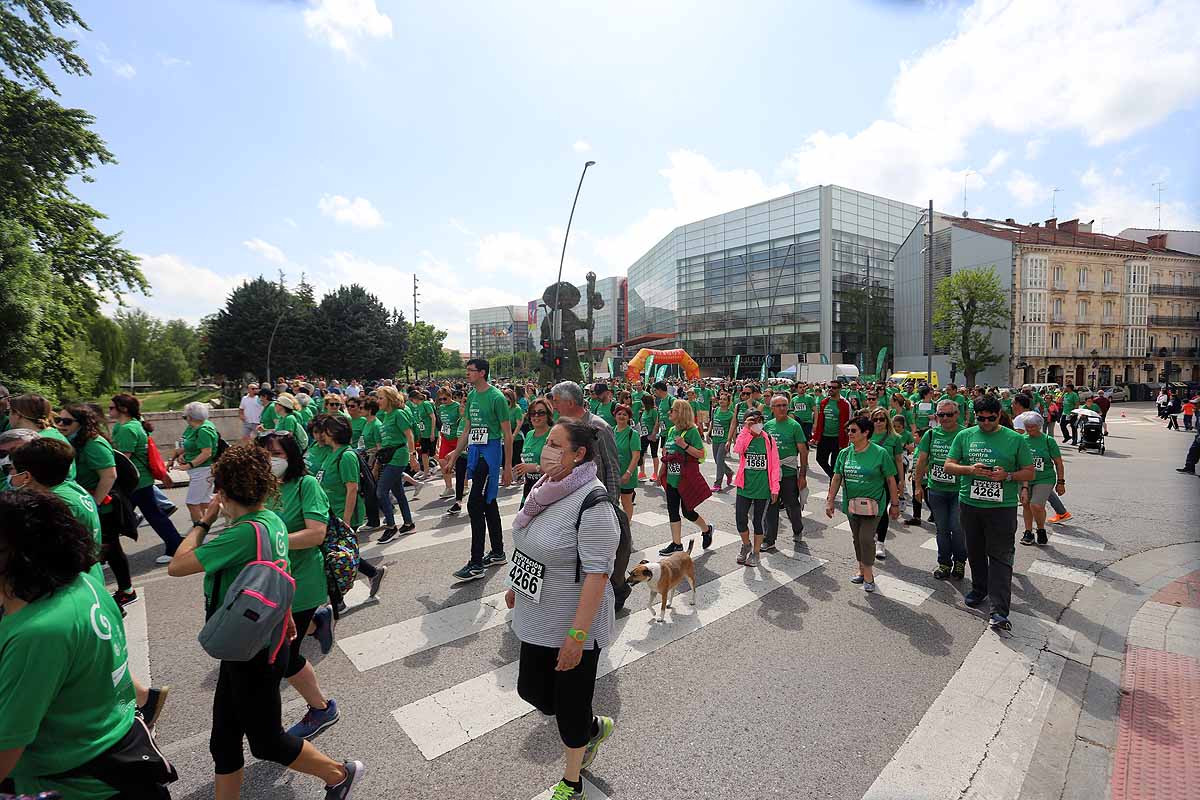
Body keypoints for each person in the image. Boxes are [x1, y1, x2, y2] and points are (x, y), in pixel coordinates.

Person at [166, 443, 365, 799]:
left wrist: (202, 521)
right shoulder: (270, 521)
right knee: (223, 737)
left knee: (267, 741)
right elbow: (278, 572)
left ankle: (339, 773)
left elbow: (178, 565)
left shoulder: (242, 533)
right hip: (252, 640)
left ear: (223, 491)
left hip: (254, 648)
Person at [0, 490, 175, 800]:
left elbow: (7, 749)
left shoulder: (36, 632)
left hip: (75, 784)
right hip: (120, 755)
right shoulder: (83, 584)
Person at [506, 419, 619, 800]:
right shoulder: (546, 488)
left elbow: (597, 576)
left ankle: (572, 782)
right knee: (532, 690)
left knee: (570, 705)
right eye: (548, 443)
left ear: (578, 454)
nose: (546, 449)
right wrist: (515, 582)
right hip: (537, 614)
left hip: (574, 624)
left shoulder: (594, 503)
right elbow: (531, 542)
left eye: (555, 444)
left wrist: (576, 636)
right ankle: (590, 728)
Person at [256, 428, 343, 740]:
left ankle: (320, 708)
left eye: (277, 454)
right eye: (265, 454)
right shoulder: (259, 486)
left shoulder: (306, 485)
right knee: (279, 654)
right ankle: (314, 623)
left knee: (282, 658)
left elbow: (316, 533)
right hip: (265, 583)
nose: (270, 460)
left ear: (291, 457)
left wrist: (267, 542)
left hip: (300, 585)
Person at [943, 396, 1035, 628]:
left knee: (1000, 556)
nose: (985, 422)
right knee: (974, 552)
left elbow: (1030, 471)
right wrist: (969, 469)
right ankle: (979, 589)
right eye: (980, 418)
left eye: (990, 418)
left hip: (1001, 508)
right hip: (970, 505)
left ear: (999, 415)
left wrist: (1009, 476)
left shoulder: (1015, 439)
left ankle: (999, 610)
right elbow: (949, 465)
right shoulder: (965, 436)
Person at [550, 381, 632, 608]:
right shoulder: (561, 427)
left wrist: (612, 504)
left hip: (597, 501)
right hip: (570, 500)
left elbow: (612, 466)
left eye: (556, 401)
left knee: (606, 553)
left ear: (569, 402)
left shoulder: (599, 427)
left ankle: (618, 589)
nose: (553, 406)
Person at [54, 403, 134, 604]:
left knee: (111, 549)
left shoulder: (93, 443)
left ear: (81, 424)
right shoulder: (73, 441)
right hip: (92, 502)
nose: (60, 424)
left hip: (103, 505)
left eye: (66, 421)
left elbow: (109, 475)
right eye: (58, 420)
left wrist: (93, 503)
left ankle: (127, 591)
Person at [446, 359, 513, 582]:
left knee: (475, 503)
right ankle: (497, 551)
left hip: (491, 455)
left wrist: (507, 467)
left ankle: (476, 563)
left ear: (482, 373)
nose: (467, 374)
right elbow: (467, 428)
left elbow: (507, 435)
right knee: (487, 502)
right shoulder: (473, 395)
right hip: (475, 452)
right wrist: (455, 455)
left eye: (471, 371)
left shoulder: (497, 397)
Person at [825, 415, 900, 593]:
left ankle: (868, 573)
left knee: (866, 538)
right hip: (852, 505)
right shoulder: (844, 453)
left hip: (874, 505)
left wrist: (895, 504)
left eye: (853, 430)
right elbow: (836, 478)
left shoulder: (880, 453)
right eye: (848, 430)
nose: (849, 433)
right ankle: (860, 567)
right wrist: (830, 501)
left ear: (866, 432)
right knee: (856, 538)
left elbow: (890, 479)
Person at [109, 394, 184, 565]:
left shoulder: (126, 429)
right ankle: (175, 543)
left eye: (112, 407)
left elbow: (122, 460)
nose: (109, 410)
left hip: (133, 482)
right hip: (140, 480)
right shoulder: (133, 425)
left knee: (119, 518)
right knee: (149, 515)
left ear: (124, 409)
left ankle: (175, 545)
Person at [912, 399, 966, 580]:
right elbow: (921, 461)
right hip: (936, 489)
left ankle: (960, 561)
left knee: (957, 528)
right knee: (942, 528)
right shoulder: (931, 434)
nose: (945, 418)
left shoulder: (965, 434)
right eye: (941, 415)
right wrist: (918, 486)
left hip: (959, 490)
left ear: (957, 415)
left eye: (949, 414)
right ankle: (944, 563)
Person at [656, 398, 714, 557]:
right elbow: (667, 456)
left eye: (673, 410)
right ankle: (676, 544)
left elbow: (701, 454)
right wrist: (660, 473)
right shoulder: (671, 430)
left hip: (686, 479)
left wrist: (684, 446)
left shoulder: (691, 431)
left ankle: (707, 529)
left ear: (680, 413)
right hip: (671, 478)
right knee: (672, 510)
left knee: (688, 512)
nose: (669, 412)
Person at [731, 409, 779, 567]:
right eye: (753, 421)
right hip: (744, 486)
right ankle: (746, 545)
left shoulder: (769, 440)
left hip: (763, 488)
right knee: (740, 519)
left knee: (758, 521)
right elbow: (737, 449)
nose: (757, 423)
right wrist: (746, 430)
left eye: (759, 420)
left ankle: (756, 553)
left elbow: (774, 466)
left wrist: (775, 489)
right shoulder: (744, 437)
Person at [373, 386, 419, 544]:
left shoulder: (398, 414)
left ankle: (391, 527)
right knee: (399, 493)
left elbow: (409, 435)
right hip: (389, 456)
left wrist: (412, 457)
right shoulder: (386, 415)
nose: (377, 401)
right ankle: (408, 523)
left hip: (398, 457)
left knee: (381, 492)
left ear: (390, 399)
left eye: (380, 398)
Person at [763, 394, 807, 550]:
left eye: (784, 405)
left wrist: (802, 475)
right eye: (778, 406)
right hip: (772, 474)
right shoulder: (768, 426)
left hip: (788, 473)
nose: (782, 408)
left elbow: (803, 451)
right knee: (771, 506)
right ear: (772, 408)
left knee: (792, 506)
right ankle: (769, 539)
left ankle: (797, 529)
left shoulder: (795, 426)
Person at [1015, 413, 1065, 548]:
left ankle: (1041, 528)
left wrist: (1061, 482)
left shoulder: (1049, 441)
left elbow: (1058, 463)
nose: (1030, 430)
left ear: (1039, 426)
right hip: (1025, 477)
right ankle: (1028, 531)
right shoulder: (1021, 440)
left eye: (1033, 427)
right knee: (1025, 504)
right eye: (1027, 427)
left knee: (1036, 505)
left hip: (1045, 478)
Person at [171, 401, 219, 526]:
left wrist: (189, 465)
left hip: (203, 470)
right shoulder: (193, 427)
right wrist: (181, 455)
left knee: (192, 503)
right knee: (203, 503)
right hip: (199, 470)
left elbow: (206, 453)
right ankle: (232, 511)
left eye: (185, 416)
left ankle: (198, 531)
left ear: (190, 417)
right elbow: (188, 445)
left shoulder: (204, 430)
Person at [6, 394, 76, 480]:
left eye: (9, 411)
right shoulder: (52, 433)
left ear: (17, 414)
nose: (8, 416)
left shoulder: (34, 442)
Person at [867, 407, 904, 560]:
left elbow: (899, 460)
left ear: (887, 420)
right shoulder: (866, 435)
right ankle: (873, 535)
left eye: (882, 419)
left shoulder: (894, 438)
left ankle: (880, 542)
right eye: (875, 419)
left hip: (888, 479)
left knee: (882, 510)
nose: (878, 422)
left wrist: (901, 480)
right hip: (869, 479)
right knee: (869, 510)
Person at [515, 397, 553, 506]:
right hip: (529, 488)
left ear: (548, 415)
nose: (536, 416)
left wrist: (535, 468)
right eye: (533, 413)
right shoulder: (529, 435)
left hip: (548, 490)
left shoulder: (553, 435)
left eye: (541, 413)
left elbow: (559, 468)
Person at [810, 381, 851, 477]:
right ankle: (833, 478)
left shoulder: (845, 404)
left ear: (840, 389)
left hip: (837, 438)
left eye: (834, 388)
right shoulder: (824, 402)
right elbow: (820, 421)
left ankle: (832, 486)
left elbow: (848, 423)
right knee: (820, 459)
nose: (831, 389)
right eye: (829, 387)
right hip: (824, 437)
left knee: (834, 464)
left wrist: (846, 441)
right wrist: (815, 437)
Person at [612, 403, 641, 522]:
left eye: (625, 414)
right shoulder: (611, 431)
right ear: (615, 416)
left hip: (627, 474)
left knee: (626, 501)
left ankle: (627, 526)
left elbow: (636, 456)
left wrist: (628, 473)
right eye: (619, 414)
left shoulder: (632, 434)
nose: (622, 416)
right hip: (613, 474)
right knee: (613, 501)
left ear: (629, 417)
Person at [434, 387, 462, 499]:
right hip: (446, 437)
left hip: (457, 438)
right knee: (441, 461)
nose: (442, 401)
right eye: (440, 399)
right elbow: (442, 423)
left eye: (445, 399)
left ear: (450, 396)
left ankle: (464, 485)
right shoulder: (441, 408)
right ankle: (449, 488)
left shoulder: (457, 407)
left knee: (461, 463)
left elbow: (462, 421)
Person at [708, 391, 735, 491]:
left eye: (724, 399)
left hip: (724, 440)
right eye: (721, 399)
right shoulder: (716, 410)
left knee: (719, 460)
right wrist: (709, 433)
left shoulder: (731, 414)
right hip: (715, 438)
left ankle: (718, 484)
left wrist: (729, 440)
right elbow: (713, 422)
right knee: (717, 460)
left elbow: (732, 428)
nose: (721, 401)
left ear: (728, 402)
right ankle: (729, 472)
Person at [639, 391, 660, 482]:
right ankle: (642, 472)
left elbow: (657, 422)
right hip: (644, 435)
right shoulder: (644, 411)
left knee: (654, 454)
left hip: (652, 435)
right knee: (641, 453)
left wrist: (654, 434)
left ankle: (655, 473)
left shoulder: (654, 411)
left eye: (643, 401)